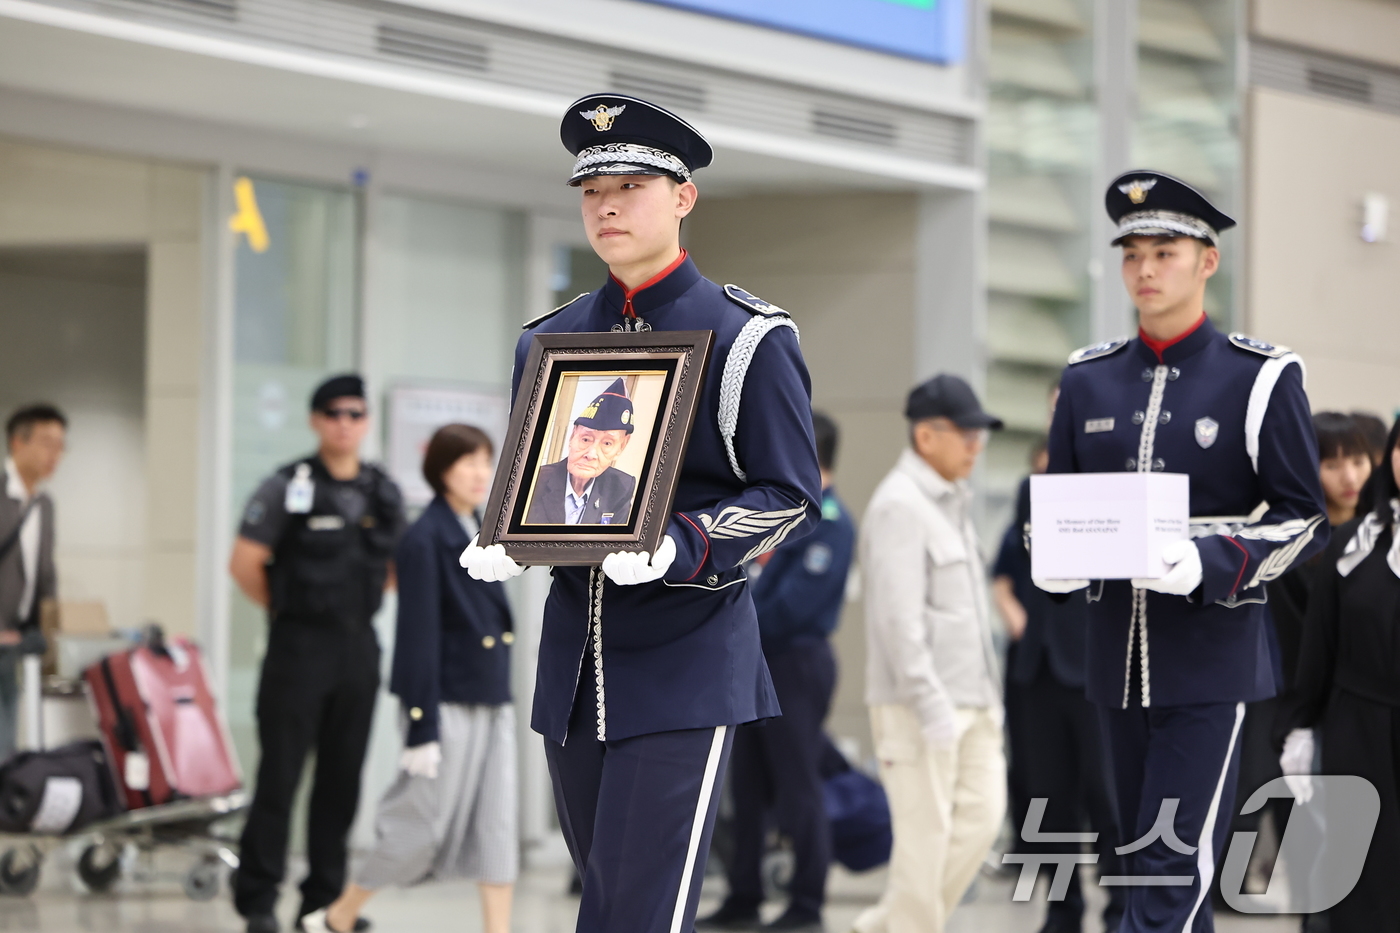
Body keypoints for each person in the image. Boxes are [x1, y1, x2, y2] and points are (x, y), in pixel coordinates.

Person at [460, 94, 822, 933]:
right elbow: (540, 478)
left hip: (684, 665)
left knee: (640, 916)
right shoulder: (548, 340)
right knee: (610, 905)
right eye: (592, 191)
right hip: (573, 672)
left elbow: (789, 494)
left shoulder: (746, 338)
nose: (609, 206)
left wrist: (683, 543)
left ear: (684, 197)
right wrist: (508, 533)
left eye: (632, 185)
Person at [1036, 171, 1328, 933]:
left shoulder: (1261, 376)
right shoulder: (1087, 377)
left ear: (1207, 260)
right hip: (1110, 661)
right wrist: (1052, 554)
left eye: (1164, 250)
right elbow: (1056, 503)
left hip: (1209, 657)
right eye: (1132, 253)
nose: (1145, 269)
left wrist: (1206, 558)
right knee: (1141, 863)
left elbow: (1303, 518)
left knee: (1170, 870)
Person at [304, 424, 516, 933]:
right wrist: (421, 723)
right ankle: (342, 911)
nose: (478, 473)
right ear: (440, 469)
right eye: (466, 462)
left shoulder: (482, 528)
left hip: (489, 694)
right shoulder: (425, 537)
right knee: (417, 822)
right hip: (443, 700)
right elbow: (418, 634)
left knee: (497, 822)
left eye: (485, 462)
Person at [230, 374, 406, 933]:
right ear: (314, 420)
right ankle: (258, 901)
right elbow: (245, 563)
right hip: (298, 648)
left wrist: (350, 608)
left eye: (355, 414)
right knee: (280, 778)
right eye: (333, 413)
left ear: (366, 422)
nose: (345, 423)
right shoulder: (287, 485)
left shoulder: (383, 489)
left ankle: (323, 903)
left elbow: (396, 566)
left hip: (357, 647)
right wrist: (292, 613)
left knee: (341, 780)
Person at [854, 374, 1006, 933]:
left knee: (983, 821)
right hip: (919, 705)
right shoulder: (900, 505)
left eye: (978, 434)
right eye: (965, 434)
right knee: (924, 843)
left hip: (973, 701)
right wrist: (929, 701)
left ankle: (882, 926)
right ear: (926, 436)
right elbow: (899, 621)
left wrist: (990, 699)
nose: (976, 446)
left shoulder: (950, 504)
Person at [700, 412, 855, 933]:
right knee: (747, 784)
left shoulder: (829, 520)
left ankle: (807, 901)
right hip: (756, 659)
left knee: (797, 783)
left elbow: (792, 605)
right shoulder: (786, 516)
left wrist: (734, 619)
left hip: (796, 662)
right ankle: (745, 893)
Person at [993, 443, 1124, 933]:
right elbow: (1013, 566)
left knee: (1107, 797)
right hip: (1038, 667)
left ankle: (1119, 908)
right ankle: (1063, 909)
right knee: (1048, 799)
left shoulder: (1117, 493)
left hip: (1096, 668)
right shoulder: (1033, 491)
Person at [1283, 417, 1400, 932]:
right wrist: (1302, 725)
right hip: (1359, 724)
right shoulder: (1353, 543)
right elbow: (1319, 644)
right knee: (1359, 870)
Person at [0, 404, 65, 759]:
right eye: (46, 443)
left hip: (19, 642)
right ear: (17, 443)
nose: (54, 454)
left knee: (10, 741)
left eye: (60, 446)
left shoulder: (44, 504)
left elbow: (45, 575)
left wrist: (48, 633)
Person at [525, 378, 637, 525]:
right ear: (572, 436)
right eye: (585, 439)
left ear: (621, 447)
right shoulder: (533, 481)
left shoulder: (621, 488)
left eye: (607, 443)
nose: (591, 455)